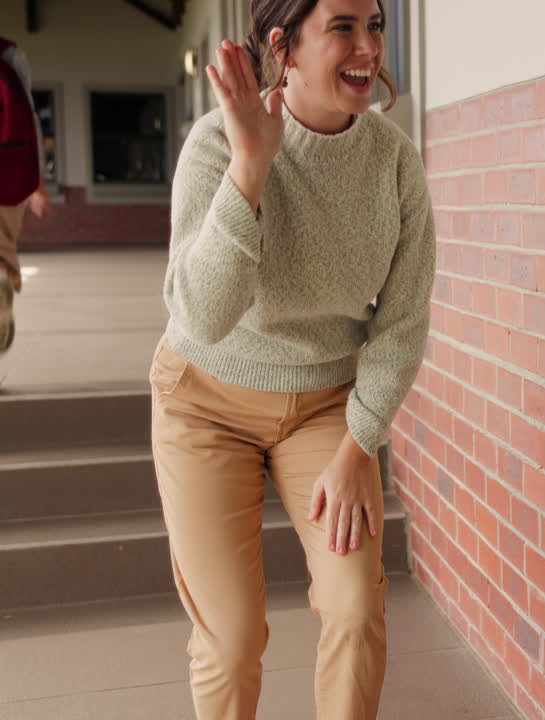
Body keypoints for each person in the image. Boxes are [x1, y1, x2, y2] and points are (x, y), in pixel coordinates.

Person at [149, 0, 435, 717]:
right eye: (343, 27)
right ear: (286, 45)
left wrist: (358, 445)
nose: (369, 46)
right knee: (233, 638)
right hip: (205, 401)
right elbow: (202, 317)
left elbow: (401, 323)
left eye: (375, 25)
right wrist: (251, 164)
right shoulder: (217, 144)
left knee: (353, 608)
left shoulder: (393, 160)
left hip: (324, 409)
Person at [0, 36, 52, 358]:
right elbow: (29, 116)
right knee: (2, 247)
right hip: (10, 169)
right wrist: (38, 182)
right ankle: (2, 276)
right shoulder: (10, 54)